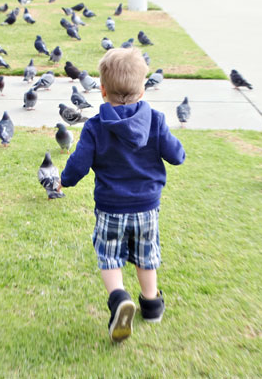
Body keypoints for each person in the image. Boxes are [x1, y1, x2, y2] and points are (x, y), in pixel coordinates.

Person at [61, 48, 186, 342]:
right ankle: (152, 306)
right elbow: (176, 155)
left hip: (110, 208)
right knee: (146, 256)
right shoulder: (155, 121)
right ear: (142, 89)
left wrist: (64, 181)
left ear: (102, 91)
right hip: (147, 208)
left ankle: (119, 300)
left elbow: (78, 164)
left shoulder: (94, 127)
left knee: (110, 256)